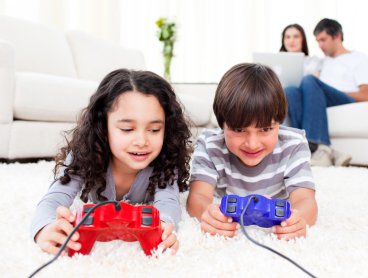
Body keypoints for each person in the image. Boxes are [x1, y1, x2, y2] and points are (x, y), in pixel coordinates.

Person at [31, 69, 193, 255]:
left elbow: (168, 202)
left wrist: (164, 225)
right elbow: (55, 197)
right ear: (103, 126)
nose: (142, 141)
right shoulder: (86, 153)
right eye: (126, 129)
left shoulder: (165, 158)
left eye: (155, 130)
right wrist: (44, 228)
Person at [186, 63, 318, 240]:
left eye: (265, 129)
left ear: (280, 122)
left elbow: (306, 200)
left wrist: (298, 219)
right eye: (239, 130)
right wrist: (207, 214)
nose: (252, 144)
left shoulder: (293, 144)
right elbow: (198, 196)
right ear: (222, 124)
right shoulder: (210, 145)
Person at [284, 18, 368, 166]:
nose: (320, 45)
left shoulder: (358, 58)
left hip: (344, 99)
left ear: (337, 36)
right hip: (322, 100)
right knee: (291, 91)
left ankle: (314, 144)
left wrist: (328, 91)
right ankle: (321, 150)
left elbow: (367, 95)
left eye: (323, 40)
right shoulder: (323, 62)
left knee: (309, 80)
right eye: (317, 41)